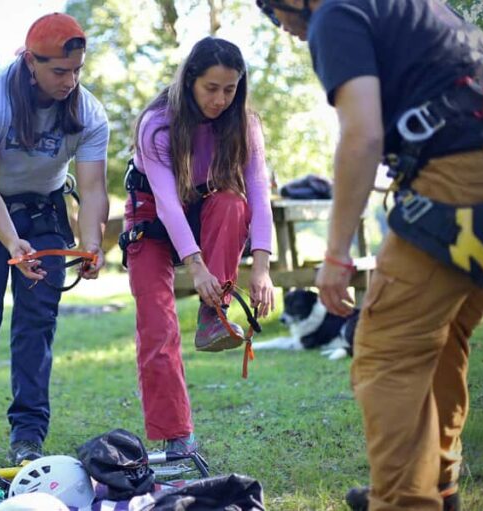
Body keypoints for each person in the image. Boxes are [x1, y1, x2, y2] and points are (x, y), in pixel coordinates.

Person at [255, 1, 483, 510]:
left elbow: (361, 136)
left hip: (461, 178)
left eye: (272, 11)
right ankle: (437, 485)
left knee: (385, 350)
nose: (283, 27)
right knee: (441, 334)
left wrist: (336, 254)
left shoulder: (336, 13)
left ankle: (404, 502)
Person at [0, 12, 109, 471]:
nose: (69, 81)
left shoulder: (88, 112)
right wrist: (11, 242)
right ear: (30, 61)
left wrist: (91, 242)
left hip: (45, 213)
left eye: (77, 71)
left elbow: (93, 189)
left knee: (36, 326)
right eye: (59, 71)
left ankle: (28, 438)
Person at [120, 37, 275, 453]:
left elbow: (258, 195)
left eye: (230, 89)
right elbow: (168, 204)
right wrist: (196, 265)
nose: (220, 100)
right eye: (211, 88)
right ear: (190, 80)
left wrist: (261, 268)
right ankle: (176, 435)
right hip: (152, 213)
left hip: (206, 206)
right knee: (157, 324)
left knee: (232, 202)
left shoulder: (244, 124)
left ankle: (213, 312)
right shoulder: (157, 124)